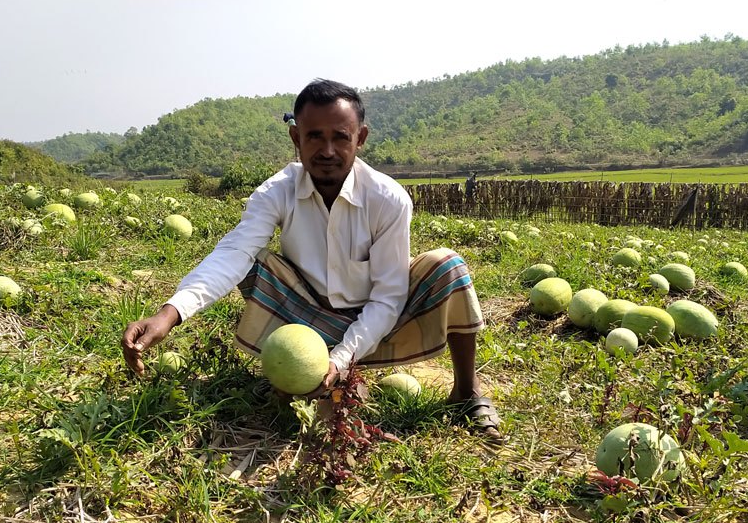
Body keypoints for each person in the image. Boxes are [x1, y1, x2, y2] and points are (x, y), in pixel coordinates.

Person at [121, 79, 505, 443]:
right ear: (295, 138)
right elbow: (234, 252)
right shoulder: (277, 191)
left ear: (361, 139)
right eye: (314, 136)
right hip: (304, 317)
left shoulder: (387, 199)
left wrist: (338, 360)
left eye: (341, 137)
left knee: (448, 265)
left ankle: (466, 390)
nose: (326, 150)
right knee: (251, 261)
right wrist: (170, 313)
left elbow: (388, 298)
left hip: (380, 320)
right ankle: (326, 379)